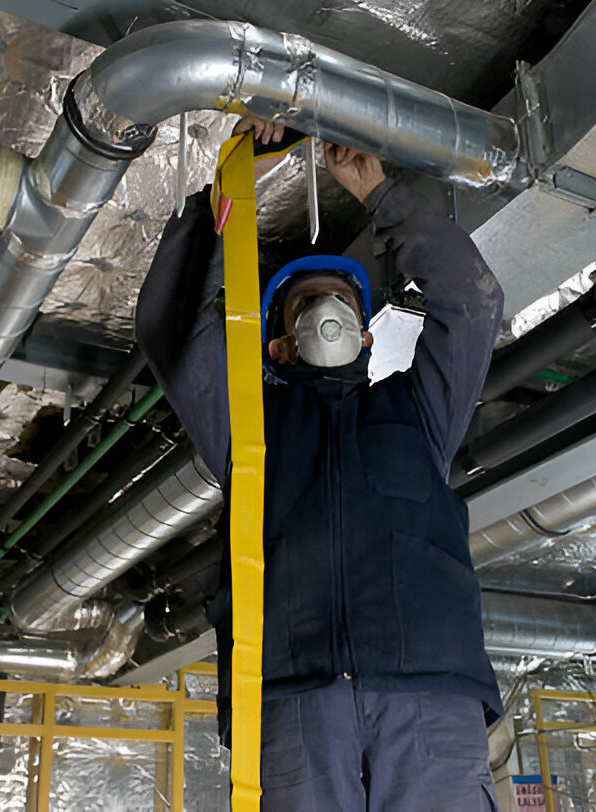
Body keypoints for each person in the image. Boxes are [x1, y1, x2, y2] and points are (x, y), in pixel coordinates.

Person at [136, 117, 505, 810]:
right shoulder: (250, 430)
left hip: (428, 695)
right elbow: (173, 328)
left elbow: (471, 300)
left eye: (341, 301)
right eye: (307, 305)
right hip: (291, 699)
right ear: (277, 346)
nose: (328, 311)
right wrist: (231, 189)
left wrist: (378, 193)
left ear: (366, 336)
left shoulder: (418, 413)